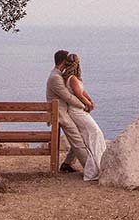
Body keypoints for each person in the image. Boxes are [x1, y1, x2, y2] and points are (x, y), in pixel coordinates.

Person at [60, 52, 106, 181]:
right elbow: (79, 95)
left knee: (89, 135)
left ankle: (96, 163)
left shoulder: (74, 78)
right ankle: (94, 167)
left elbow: (83, 92)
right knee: (95, 133)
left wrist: (90, 100)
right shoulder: (72, 79)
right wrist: (88, 104)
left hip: (79, 109)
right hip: (76, 111)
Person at [46, 49, 88, 173]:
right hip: (60, 114)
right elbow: (67, 97)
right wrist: (83, 105)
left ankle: (67, 164)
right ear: (64, 62)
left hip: (63, 112)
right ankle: (89, 168)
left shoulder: (57, 76)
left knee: (79, 134)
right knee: (77, 139)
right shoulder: (55, 78)